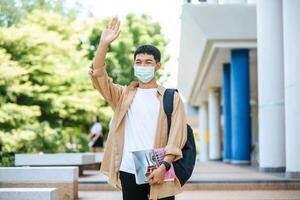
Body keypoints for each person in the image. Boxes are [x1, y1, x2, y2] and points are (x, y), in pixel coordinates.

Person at [89, 17, 187, 200]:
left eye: (148, 62)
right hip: (129, 168)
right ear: (134, 65)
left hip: (159, 165)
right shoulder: (123, 95)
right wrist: (103, 44)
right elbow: (98, 76)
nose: (142, 66)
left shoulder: (171, 97)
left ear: (157, 66)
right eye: (138, 62)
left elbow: (177, 137)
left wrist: (164, 166)